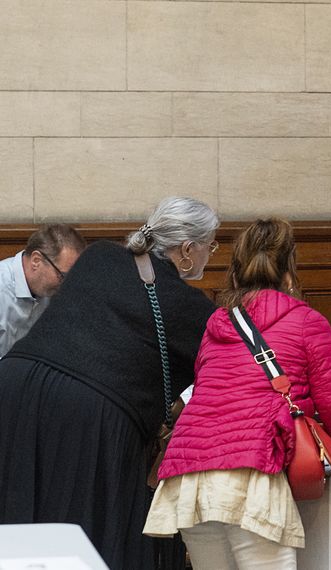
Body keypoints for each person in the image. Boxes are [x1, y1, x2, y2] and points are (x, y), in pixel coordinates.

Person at [0, 197, 220, 569]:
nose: (208, 255)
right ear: (187, 249)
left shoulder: (99, 256)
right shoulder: (193, 309)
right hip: (90, 416)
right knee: (83, 535)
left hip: (15, 384)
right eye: (209, 246)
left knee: (17, 515)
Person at [144, 218, 331, 569]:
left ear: (237, 270)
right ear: (289, 270)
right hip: (250, 472)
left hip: (190, 475)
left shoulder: (217, 323)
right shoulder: (308, 322)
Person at [0, 224, 86, 357]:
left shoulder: (50, 291)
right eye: (62, 276)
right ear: (36, 261)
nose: (65, 285)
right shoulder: (2, 286)